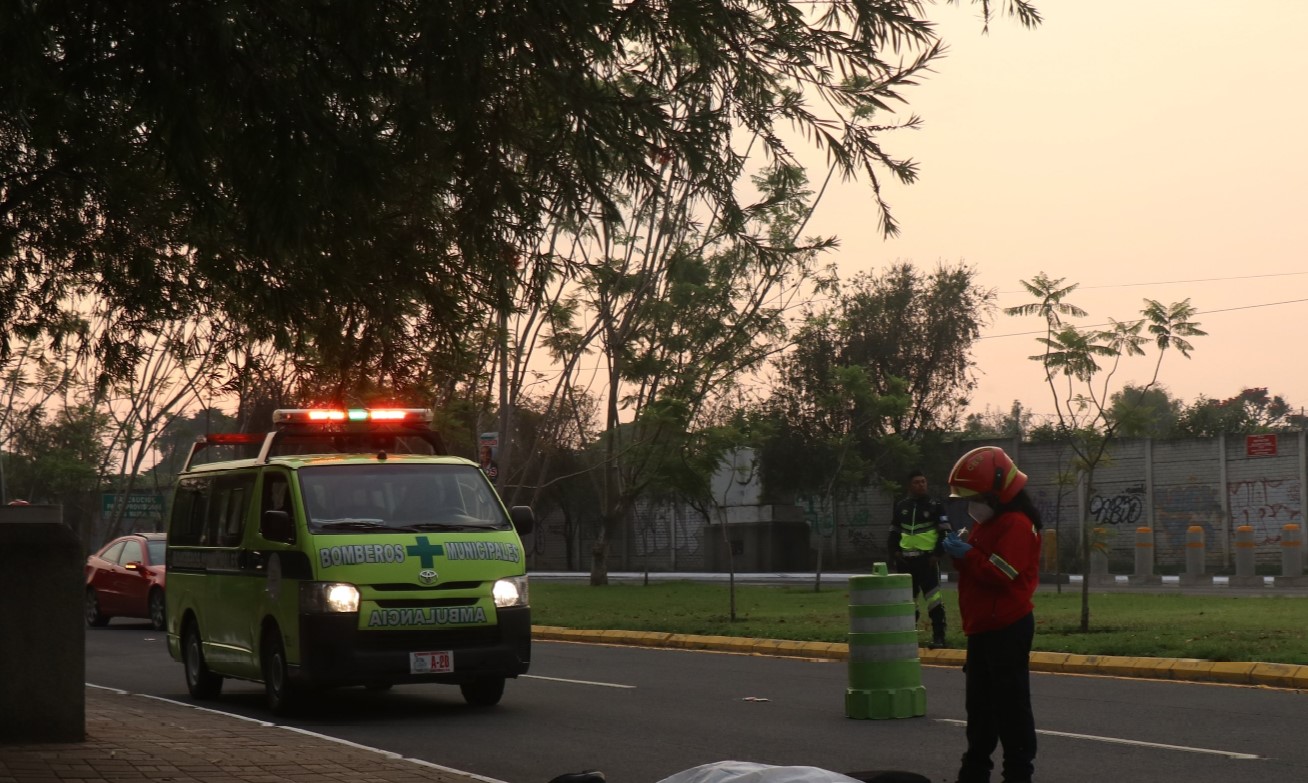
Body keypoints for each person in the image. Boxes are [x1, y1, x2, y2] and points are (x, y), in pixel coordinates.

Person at [941, 446, 1042, 783]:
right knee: (980, 708)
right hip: (984, 626)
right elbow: (979, 565)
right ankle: (974, 771)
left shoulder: (1015, 524)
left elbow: (1002, 573)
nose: (971, 504)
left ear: (998, 493)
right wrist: (961, 554)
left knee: (1010, 707)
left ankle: (1017, 773)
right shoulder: (992, 521)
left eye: (976, 497)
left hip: (1006, 626)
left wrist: (967, 555)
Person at [886, 470, 950, 648]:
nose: (921, 485)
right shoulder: (901, 506)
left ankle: (939, 637)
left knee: (934, 600)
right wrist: (895, 553)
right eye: (917, 482)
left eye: (923, 481)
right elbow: (894, 532)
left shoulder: (935, 505)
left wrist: (937, 555)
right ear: (910, 485)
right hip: (906, 561)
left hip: (927, 560)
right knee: (907, 600)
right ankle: (907, 635)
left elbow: (945, 532)